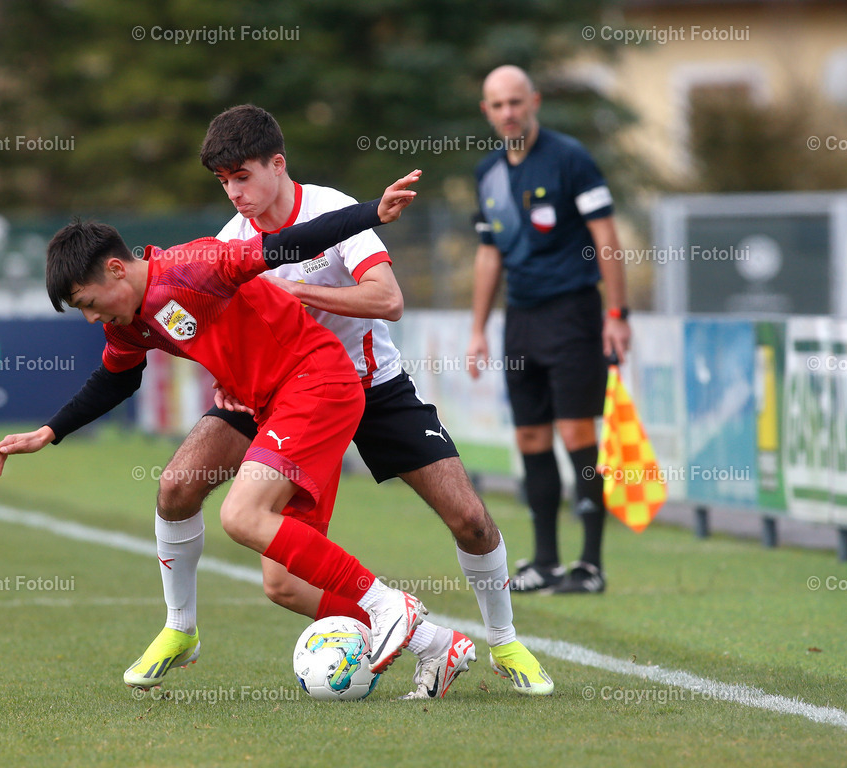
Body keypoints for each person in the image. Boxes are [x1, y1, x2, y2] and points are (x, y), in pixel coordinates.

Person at [141, 104, 552, 699]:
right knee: (188, 496)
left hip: (370, 386)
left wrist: (300, 292)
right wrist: (225, 375)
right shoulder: (231, 241)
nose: (234, 193)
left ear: (277, 164)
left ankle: (506, 641)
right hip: (282, 397)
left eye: (243, 176)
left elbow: (388, 300)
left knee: (469, 517)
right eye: (223, 181)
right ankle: (182, 628)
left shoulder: (331, 211)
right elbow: (214, 328)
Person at [0, 172, 430, 686]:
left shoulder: (195, 266)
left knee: (241, 516)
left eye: (87, 302)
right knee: (196, 507)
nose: (89, 318)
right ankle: (183, 629)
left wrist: (373, 212)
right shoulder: (128, 321)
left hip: (315, 382)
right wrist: (49, 431)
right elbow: (117, 378)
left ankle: (387, 605)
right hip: (264, 401)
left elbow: (289, 243)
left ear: (115, 269)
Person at [466, 65, 631, 595]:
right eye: (498, 105)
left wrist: (617, 314)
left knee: (576, 433)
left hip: (573, 313)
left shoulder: (569, 158)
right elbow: (489, 254)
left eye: (516, 101)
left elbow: (606, 237)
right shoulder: (488, 173)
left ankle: (590, 565)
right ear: (487, 111)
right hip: (521, 319)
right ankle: (545, 562)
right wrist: (478, 329)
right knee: (530, 436)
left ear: (534, 101)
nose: (508, 112)